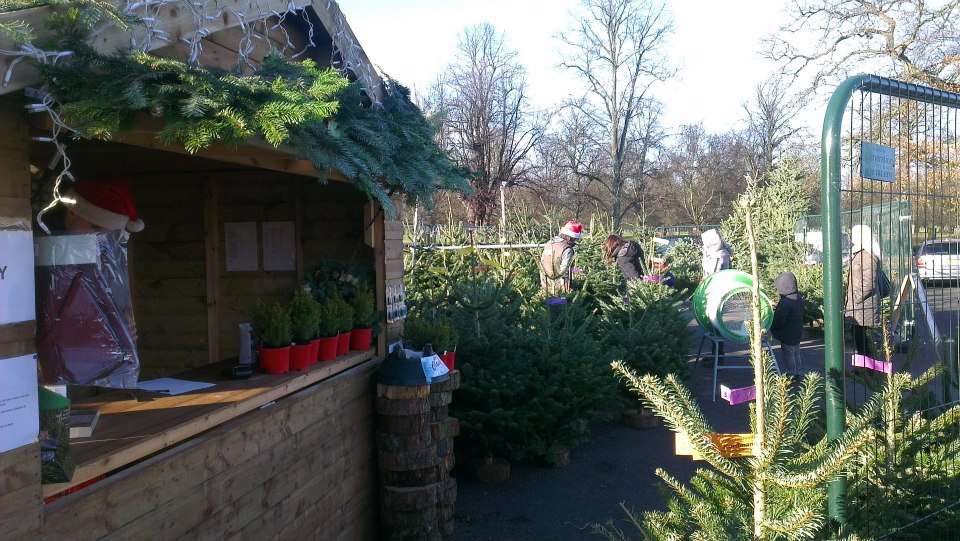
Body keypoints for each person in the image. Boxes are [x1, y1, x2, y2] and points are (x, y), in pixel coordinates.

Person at [845, 224, 889, 358]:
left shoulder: (868, 256)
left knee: (864, 341)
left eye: (854, 235)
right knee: (860, 340)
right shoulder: (860, 254)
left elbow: (869, 283)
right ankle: (864, 370)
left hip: (863, 306)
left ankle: (868, 371)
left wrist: (856, 298)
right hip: (859, 306)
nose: (852, 239)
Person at [770, 271, 804, 374]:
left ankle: (791, 374)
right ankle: (798, 372)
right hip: (797, 332)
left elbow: (779, 320)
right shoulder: (798, 298)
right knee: (796, 353)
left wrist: (773, 327)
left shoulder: (785, 302)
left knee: (788, 355)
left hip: (787, 335)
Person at [540, 220, 583, 296]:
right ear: (570, 238)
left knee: (549, 304)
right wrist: (567, 291)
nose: (575, 242)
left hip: (546, 285)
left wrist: (576, 270)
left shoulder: (549, 243)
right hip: (560, 289)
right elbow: (564, 271)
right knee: (560, 305)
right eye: (575, 239)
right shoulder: (567, 249)